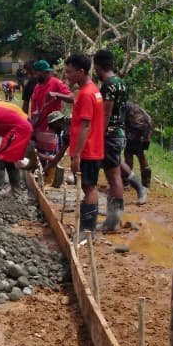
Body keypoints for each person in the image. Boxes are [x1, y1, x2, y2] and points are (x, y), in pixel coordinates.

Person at [93, 50, 145, 231]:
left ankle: (113, 221)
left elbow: (106, 113)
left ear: (97, 65)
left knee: (113, 177)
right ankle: (114, 219)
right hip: (119, 133)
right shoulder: (120, 82)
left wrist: (99, 135)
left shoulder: (108, 85)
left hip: (110, 135)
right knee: (114, 174)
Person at [63, 53, 105, 239]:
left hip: (87, 150)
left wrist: (77, 154)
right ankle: (88, 229)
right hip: (92, 147)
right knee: (89, 187)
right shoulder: (93, 90)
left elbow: (85, 125)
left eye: (69, 72)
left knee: (89, 188)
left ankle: (87, 231)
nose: (67, 75)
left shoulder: (87, 94)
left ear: (80, 72)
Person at [28, 60, 70, 138]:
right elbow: (34, 108)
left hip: (51, 128)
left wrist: (57, 94)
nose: (35, 76)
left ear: (43, 72)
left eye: (37, 73)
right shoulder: (37, 87)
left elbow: (72, 98)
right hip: (38, 127)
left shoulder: (56, 83)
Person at [123, 101, 154, 192]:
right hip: (147, 128)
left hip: (139, 128)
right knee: (140, 153)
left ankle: (126, 182)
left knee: (128, 153)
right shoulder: (131, 106)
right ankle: (146, 183)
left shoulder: (124, 107)